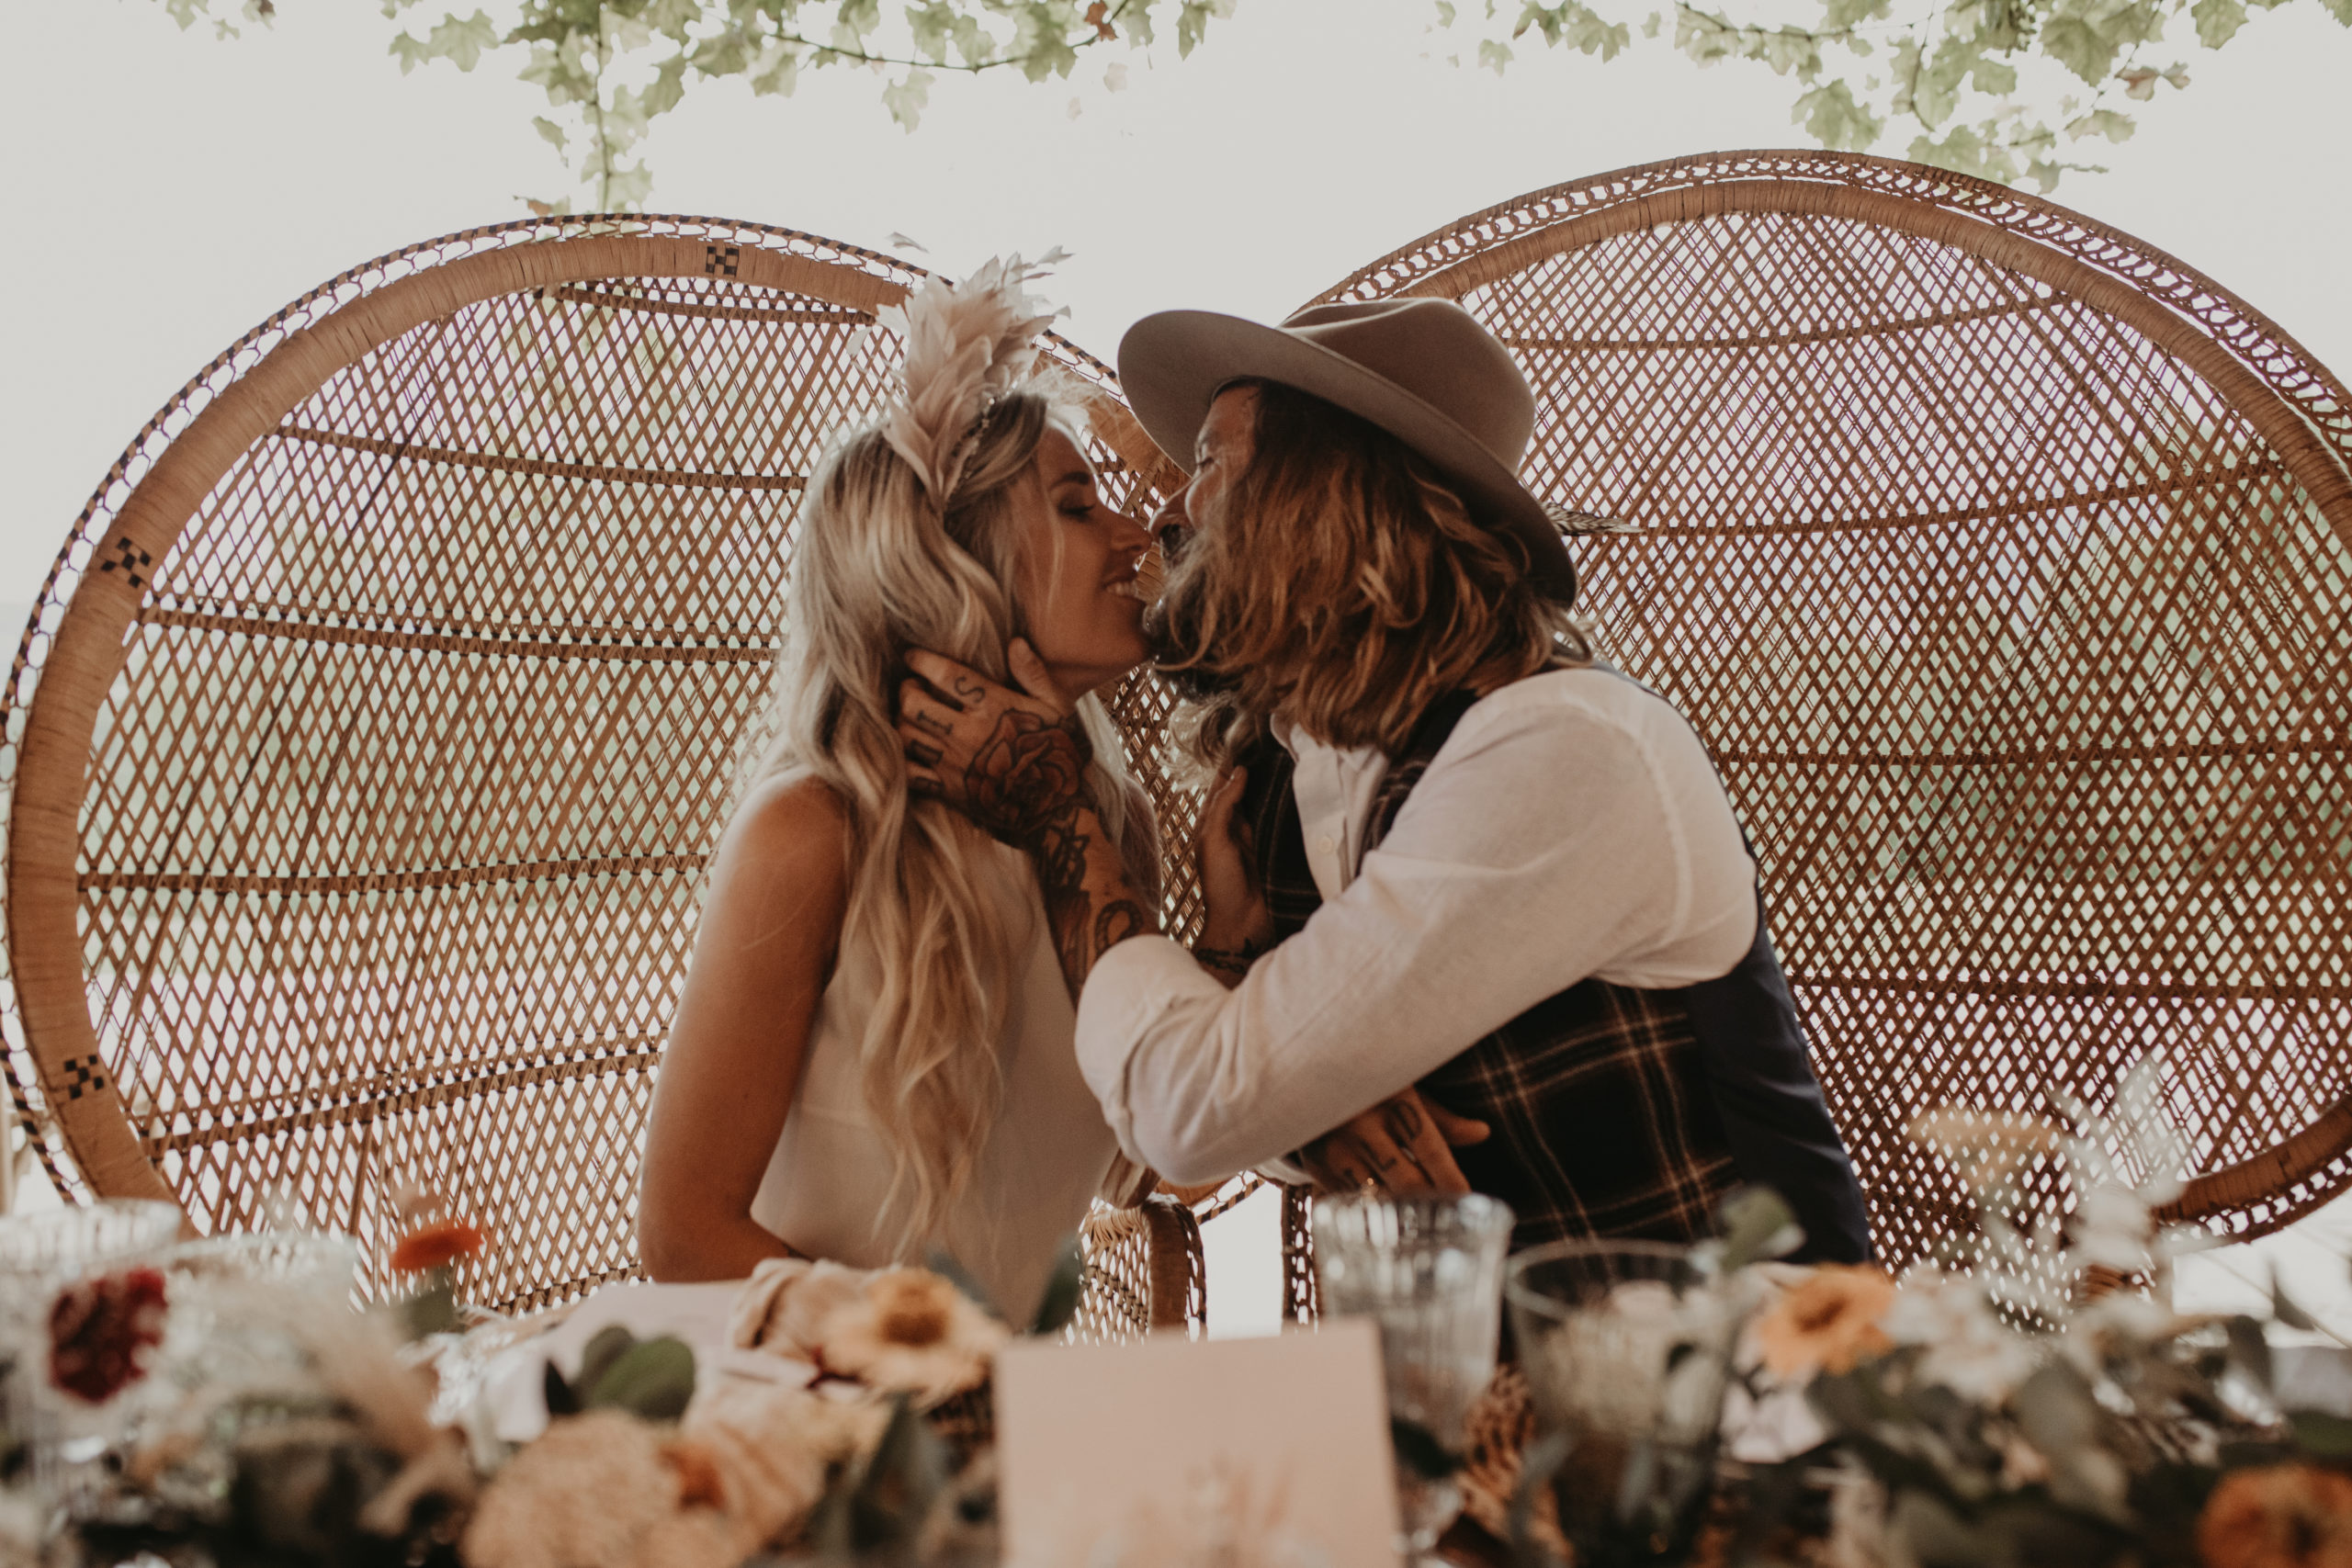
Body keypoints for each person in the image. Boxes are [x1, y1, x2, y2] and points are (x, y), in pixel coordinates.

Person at [895, 297, 1873, 1263]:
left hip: (1753, 1391)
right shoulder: (1280, 775)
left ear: (1326, 494)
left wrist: (1061, 811)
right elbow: (1253, 1095)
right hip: (1480, 1395)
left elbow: (1189, 1111)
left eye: (1208, 466)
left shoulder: (1565, 752)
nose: (1168, 514)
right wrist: (1311, 1114)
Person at [638, 259, 1162, 1321]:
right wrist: (923, 1371)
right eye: (1076, 506)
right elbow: (685, 1233)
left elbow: (1158, 1159)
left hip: (995, 1431)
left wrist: (1238, 942)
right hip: (814, 1414)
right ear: (954, 563)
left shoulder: (1104, 831)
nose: (1136, 539)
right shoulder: (815, 831)